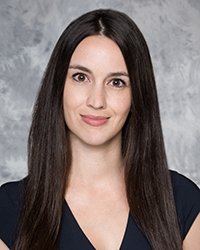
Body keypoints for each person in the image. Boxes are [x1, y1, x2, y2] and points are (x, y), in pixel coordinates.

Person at [0, 8, 200, 250]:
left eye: (117, 82)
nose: (97, 101)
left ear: (137, 95)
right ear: (58, 86)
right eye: (81, 77)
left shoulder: (182, 200)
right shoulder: (10, 208)